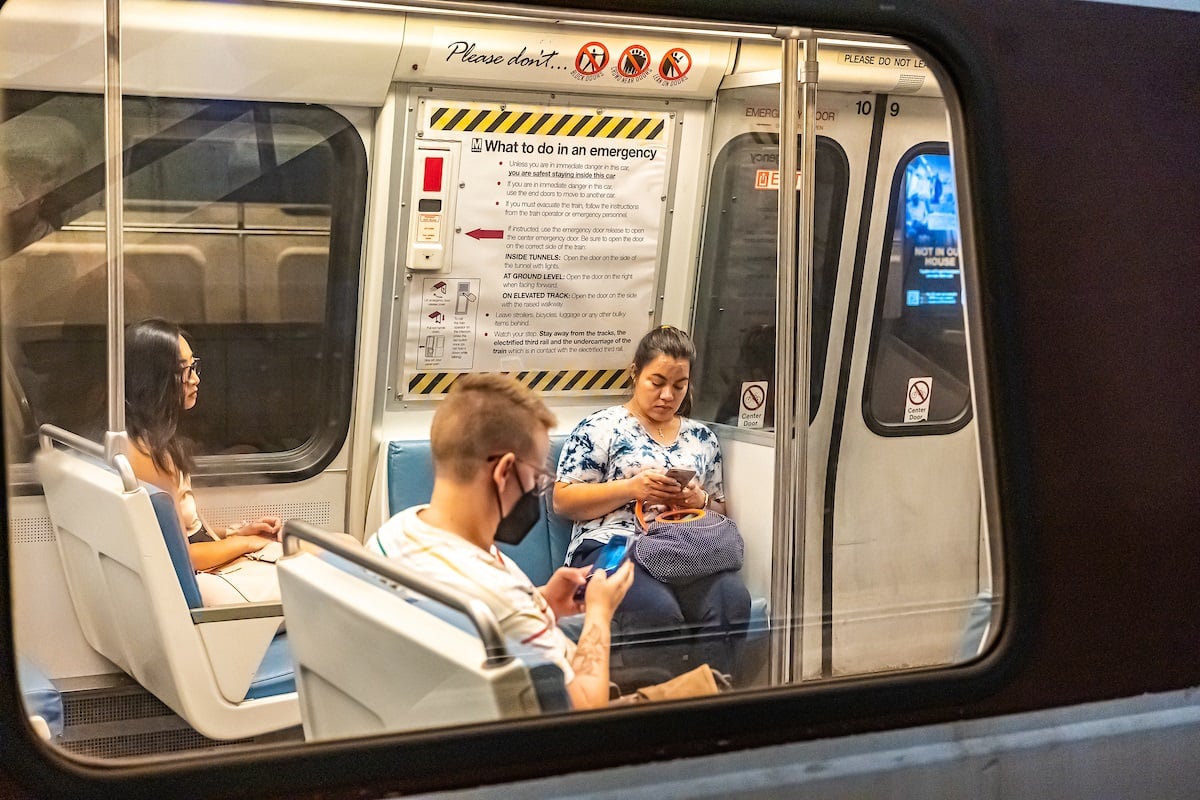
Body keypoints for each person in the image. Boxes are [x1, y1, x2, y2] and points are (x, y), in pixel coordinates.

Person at [365, 373, 633, 711]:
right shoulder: (501, 602)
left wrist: (544, 601)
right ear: (504, 471)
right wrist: (599, 612)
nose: (538, 489)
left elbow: (485, 621)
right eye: (537, 477)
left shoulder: (393, 535)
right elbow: (583, 709)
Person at [554, 325, 750, 680]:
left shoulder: (701, 438)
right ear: (635, 373)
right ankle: (659, 707)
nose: (667, 395)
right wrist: (632, 489)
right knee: (657, 611)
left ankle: (711, 699)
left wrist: (698, 498)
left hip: (682, 548)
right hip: (610, 546)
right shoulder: (600, 428)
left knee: (731, 599)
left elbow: (720, 509)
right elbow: (564, 500)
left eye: (679, 385)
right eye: (656, 381)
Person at [123, 318, 282, 605]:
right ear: (155, 379)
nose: (195, 379)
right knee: (334, 565)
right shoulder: (149, 457)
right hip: (204, 578)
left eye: (194, 366)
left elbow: (186, 531)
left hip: (206, 561)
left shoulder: (151, 443)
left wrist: (233, 533)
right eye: (185, 371)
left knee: (334, 550)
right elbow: (182, 556)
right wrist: (245, 544)